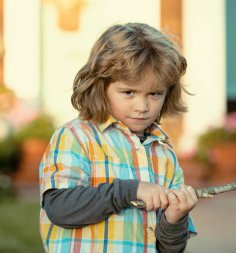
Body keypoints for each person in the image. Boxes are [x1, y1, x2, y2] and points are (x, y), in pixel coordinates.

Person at [39, 23, 198, 253]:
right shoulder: (75, 137)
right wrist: (128, 191)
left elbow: (169, 248)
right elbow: (60, 208)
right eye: (128, 92)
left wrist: (175, 220)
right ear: (101, 86)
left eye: (154, 94)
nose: (142, 106)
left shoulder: (163, 153)